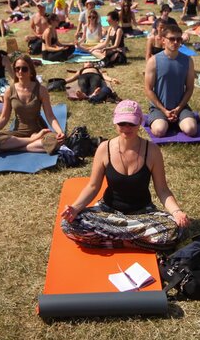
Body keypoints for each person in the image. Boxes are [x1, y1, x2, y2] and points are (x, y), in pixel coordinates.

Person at [60, 100, 189, 249]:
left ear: (140, 122)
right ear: (115, 123)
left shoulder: (152, 150)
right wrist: (75, 208)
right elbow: (93, 186)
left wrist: (176, 211)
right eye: (122, 123)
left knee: (175, 229)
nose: (126, 128)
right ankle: (132, 240)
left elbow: (162, 190)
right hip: (108, 212)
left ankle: (113, 239)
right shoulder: (104, 148)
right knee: (68, 224)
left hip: (142, 214)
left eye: (132, 124)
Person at [0, 55, 64, 154]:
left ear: (31, 72)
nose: (20, 72)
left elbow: (50, 116)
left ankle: (17, 147)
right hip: (19, 133)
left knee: (55, 141)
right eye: (17, 69)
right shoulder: (9, 91)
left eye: (24, 69)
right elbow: (4, 117)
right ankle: (30, 143)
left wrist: (59, 132)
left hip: (38, 131)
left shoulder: (41, 90)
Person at [144, 24, 198, 137]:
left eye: (179, 39)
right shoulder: (153, 61)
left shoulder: (188, 61)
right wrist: (164, 110)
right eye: (172, 39)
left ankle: (178, 120)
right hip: (159, 107)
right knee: (159, 131)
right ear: (163, 40)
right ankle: (163, 120)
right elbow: (148, 89)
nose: (175, 42)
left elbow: (189, 88)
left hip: (180, 107)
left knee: (191, 129)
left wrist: (178, 109)